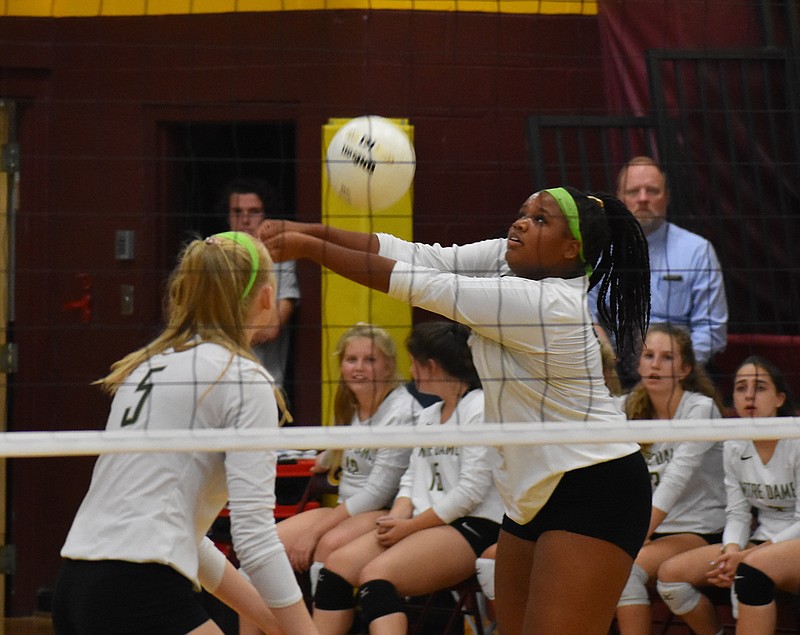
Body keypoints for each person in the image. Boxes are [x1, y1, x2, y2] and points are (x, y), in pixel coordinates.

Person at [261, 185, 653, 635]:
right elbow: (416, 256)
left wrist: (308, 248)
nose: (521, 222)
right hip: (529, 494)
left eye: (541, 219)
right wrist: (308, 228)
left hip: (595, 484)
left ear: (571, 249)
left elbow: (415, 283)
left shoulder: (548, 305)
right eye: (523, 211)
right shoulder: (511, 260)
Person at [51, 231, 316, 634]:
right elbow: (255, 539)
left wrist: (269, 620)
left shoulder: (147, 369)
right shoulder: (243, 379)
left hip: (76, 585)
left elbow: (186, 537)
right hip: (139, 589)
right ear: (266, 298)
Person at [312, 321, 504, 635]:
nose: (410, 370)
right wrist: (398, 517)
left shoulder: (478, 408)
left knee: (376, 580)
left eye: (414, 363)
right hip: (423, 522)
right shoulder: (430, 415)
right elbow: (411, 479)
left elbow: (470, 492)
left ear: (431, 366)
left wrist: (410, 527)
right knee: (335, 570)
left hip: (473, 524)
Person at [239, 323, 418, 635]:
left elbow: (377, 493)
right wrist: (321, 458)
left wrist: (313, 532)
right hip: (350, 508)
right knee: (257, 554)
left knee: (327, 546)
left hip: (384, 510)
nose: (359, 368)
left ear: (389, 365)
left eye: (370, 360)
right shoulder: (351, 404)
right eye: (352, 360)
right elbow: (346, 449)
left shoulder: (401, 412)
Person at [656, 356, 799, 635]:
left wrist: (748, 555)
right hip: (758, 543)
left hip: (791, 542)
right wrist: (731, 550)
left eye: (759, 388)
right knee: (670, 575)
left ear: (779, 398)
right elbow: (737, 512)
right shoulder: (734, 444)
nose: (749, 396)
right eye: (740, 388)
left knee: (749, 569)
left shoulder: (794, 440)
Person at [615, 323, 726, 635]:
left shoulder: (699, 409)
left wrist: (634, 534)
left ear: (685, 368)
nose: (655, 364)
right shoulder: (626, 407)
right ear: (638, 364)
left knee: (624, 571)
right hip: (650, 532)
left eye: (667, 358)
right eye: (649, 355)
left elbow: (675, 480)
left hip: (699, 528)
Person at [593, 156, 728, 387]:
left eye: (652, 191)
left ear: (666, 197)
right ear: (620, 199)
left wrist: (676, 370)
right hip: (615, 375)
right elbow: (587, 317)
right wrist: (607, 365)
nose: (643, 198)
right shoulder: (599, 251)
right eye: (634, 191)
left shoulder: (697, 250)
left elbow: (711, 329)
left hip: (683, 376)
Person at [222, 177, 301, 393]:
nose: (245, 219)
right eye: (238, 212)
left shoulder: (281, 258)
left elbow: (271, 327)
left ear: (266, 216)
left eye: (254, 211)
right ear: (228, 216)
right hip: (216, 384)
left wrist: (222, 330)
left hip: (264, 383)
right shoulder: (212, 257)